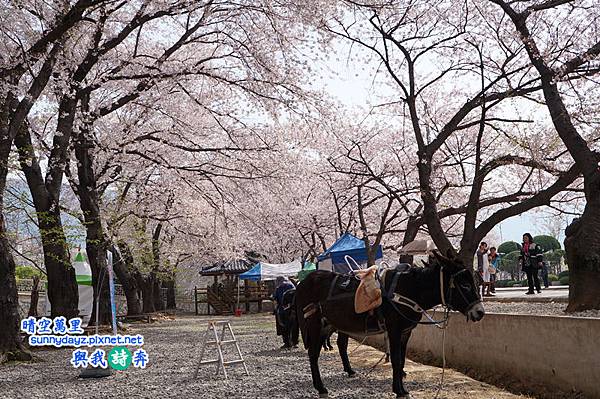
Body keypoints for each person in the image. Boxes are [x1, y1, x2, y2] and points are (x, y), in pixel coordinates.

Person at [273, 276, 297, 348]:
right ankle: (290, 342)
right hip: (284, 310)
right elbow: (276, 298)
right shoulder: (279, 288)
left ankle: (291, 342)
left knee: (290, 326)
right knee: (287, 326)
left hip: (290, 310)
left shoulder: (290, 286)